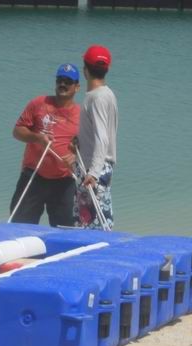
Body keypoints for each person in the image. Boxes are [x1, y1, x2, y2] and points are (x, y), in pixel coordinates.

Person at [9, 64, 81, 227]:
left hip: (64, 181)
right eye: (59, 80)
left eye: (68, 81)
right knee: (19, 227)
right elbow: (17, 132)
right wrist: (37, 138)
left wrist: (76, 156)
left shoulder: (81, 114)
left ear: (77, 87)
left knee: (65, 231)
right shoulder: (38, 103)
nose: (62, 84)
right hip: (34, 176)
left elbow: (89, 146)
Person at [73, 44, 118, 230]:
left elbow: (102, 138)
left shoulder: (97, 98)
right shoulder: (106, 94)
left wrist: (93, 172)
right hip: (93, 166)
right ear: (107, 69)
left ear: (85, 70)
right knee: (86, 223)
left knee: (96, 226)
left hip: (94, 169)